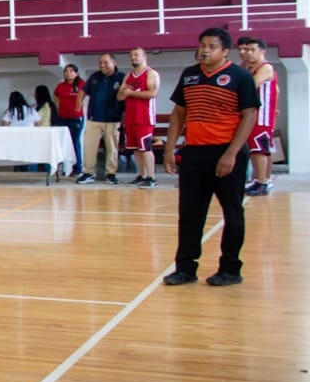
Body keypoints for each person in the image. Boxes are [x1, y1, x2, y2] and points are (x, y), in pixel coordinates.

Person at [162, 27, 258, 288]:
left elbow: (249, 115)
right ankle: (185, 268)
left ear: (225, 51)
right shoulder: (189, 75)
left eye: (212, 46)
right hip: (194, 153)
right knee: (190, 214)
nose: (205, 49)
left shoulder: (239, 76)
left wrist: (231, 153)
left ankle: (230, 269)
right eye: (202, 44)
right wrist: (170, 149)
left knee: (232, 213)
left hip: (226, 152)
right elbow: (179, 114)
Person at [237, 36, 277, 196]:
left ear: (262, 51)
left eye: (253, 50)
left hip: (262, 115)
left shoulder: (265, 67)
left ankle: (263, 182)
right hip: (253, 114)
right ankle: (259, 180)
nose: (248, 53)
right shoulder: (247, 67)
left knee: (259, 149)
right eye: (247, 50)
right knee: (256, 149)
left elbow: (251, 85)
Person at [78, 53, 125, 183]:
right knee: (89, 146)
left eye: (105, 62)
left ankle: (111, 174)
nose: (102, 65)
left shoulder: (122, 77)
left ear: (114, 62)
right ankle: (88, 173)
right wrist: (78, 104)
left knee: (112, 147)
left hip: (114, 118)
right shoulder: (94, 76)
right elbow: (83, 90)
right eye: (100, 63)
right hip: (94, 118)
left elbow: (127, 97)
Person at [118, 47, 161, 188]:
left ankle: (151, 177)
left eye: (136, 55)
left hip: (144, 117)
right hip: (130, 117)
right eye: (131, 55)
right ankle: (141, 175)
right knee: (136, 148)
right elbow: (120, 96)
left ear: (144, 57)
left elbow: (152, 93)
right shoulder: (128, 76)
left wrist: (130, 93)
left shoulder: (151, 73)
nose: (133, 58)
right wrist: (126, 93)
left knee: (145, 148)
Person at [54, 64, 87, 177]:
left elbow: (85, 95)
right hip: (62, 117)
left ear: (76, 73)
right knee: (61, 143)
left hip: (75, 118)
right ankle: (61, 168)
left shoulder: (81, 84)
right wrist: (59, 106)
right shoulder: (60, 86)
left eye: (71, 71)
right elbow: (56, 96)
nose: (68, 73)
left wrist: (78, 105)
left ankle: (77, 168)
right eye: (66, 71)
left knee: (74, 142)